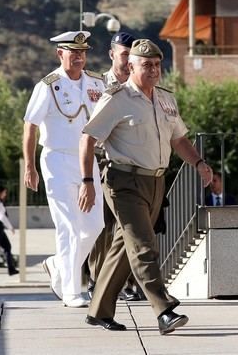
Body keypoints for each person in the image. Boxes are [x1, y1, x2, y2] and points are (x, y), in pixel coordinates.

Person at [78, 39, 213, 335]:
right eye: (145, 65)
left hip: (156, 181)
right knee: (143, 246)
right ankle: (163, 309)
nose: (153, 70)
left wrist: (200, 163)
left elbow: (178, 139)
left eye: (156, 64)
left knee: (125, 249)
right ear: (130, 67)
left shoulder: (166, 99)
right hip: (123, 181)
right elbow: (88, 139)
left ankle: (99, 310)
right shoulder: (116, 98)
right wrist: (87, 181)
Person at [23, 30, 105, 308]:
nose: (80, 57)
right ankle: (71, 291)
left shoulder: (96, 83)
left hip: (87, 160)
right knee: (69, 227)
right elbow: (30, 125)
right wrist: (30, 166)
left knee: (95, 226)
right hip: (56, 160)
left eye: (83, 52)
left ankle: (58, 264)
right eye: (74, 52)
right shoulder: (48, 86)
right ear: (61, 54)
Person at [86, 31, 142, 301]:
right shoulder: (96, 85)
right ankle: (97, 281)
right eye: (123, 54)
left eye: (132, 55)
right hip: (101, 161)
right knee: (103, 226)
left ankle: (130, 283)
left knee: (131, 226)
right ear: (111, 54)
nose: (127, 59)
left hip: (131, 163)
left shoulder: (139, 85)